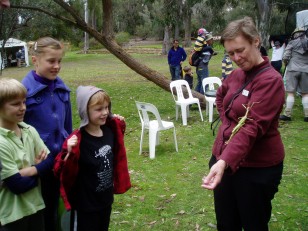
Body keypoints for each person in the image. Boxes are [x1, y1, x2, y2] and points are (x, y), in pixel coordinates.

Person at [201, 17, 285, 230]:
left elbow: (252, 127)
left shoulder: (270, 81)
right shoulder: (237, 75)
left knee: (253, 222)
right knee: (226, 222)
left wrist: (223, 161)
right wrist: (229, 122)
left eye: (240, 50)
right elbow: (221, 95)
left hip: (256, 168)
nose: (236, 58)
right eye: (230, 53)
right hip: (224, 163)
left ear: (256, 41)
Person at [54, 86, 131, 231]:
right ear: (85, 111)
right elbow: (61, 170)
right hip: (85, 206)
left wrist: (119, 122)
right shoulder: (77, 140)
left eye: (106, 107)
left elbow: (118, 147)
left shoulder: (109, 131)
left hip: (105, 200)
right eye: (99, 109)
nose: (105, 112)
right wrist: (69, 153)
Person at [21, 37, 72, 231]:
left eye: (59, 61)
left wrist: (69, 147)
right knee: (40, 215)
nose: (57, 66)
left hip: (61, 161)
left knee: (58, 209)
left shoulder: (62, 89)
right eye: (51, 61)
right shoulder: (23, 92)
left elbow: (68, 125)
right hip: (37, 166)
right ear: (35, 60)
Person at [0, 78, 54, 231]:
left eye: (24, 102)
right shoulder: (1, 142)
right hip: (11, 215)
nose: (23, 108)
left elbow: (51, 162)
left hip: (35, 207)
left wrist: (31, 170)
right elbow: (17, 186)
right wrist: (40, 169)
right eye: (16, 104)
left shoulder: (29, 130)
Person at [280, 27, 308, 122]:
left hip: (292, 69)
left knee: (290, 92)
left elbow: (286, 56)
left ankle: (287, 114)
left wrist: (286, 62)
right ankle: (307, 115)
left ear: (295, 34)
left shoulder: (292, 43)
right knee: (305, 94)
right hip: (305, 70)